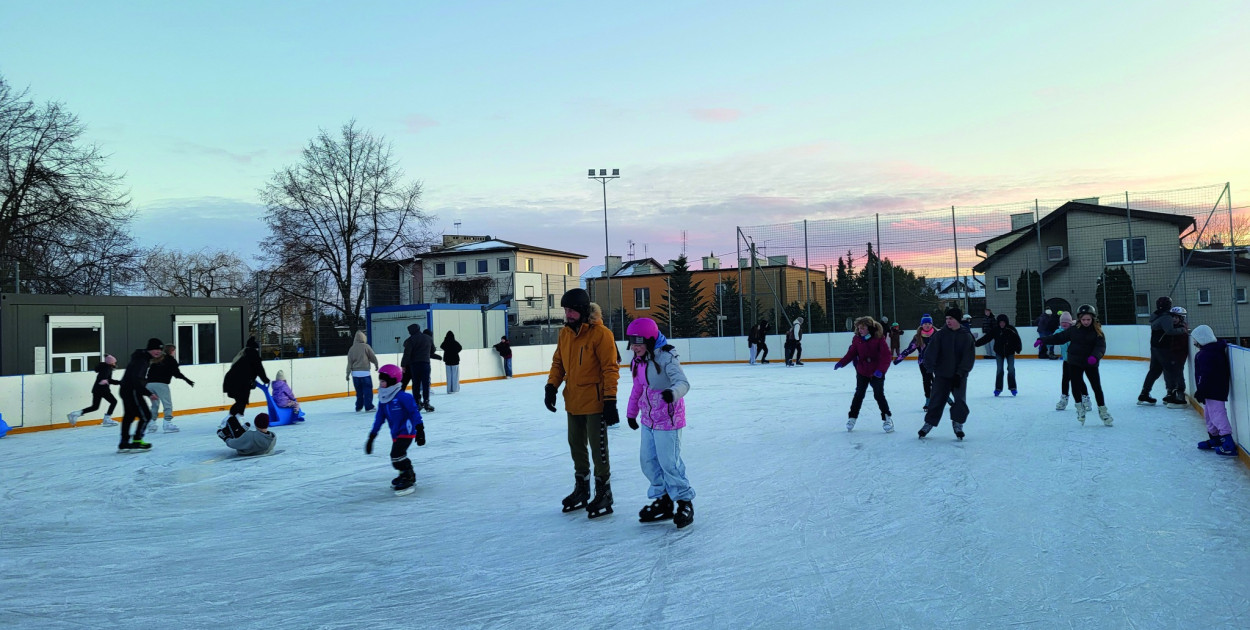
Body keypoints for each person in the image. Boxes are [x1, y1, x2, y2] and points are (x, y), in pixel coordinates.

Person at [545, 288, 621, 519]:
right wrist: (551, 387)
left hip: (596, 403)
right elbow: (559, 362)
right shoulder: (565, 334)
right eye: (565, 310)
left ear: (581, 310)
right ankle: (582, 489)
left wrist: (610, 400)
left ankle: (604, 492)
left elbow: (610, 369)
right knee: (576, 448)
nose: (567, 314)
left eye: (571, 310)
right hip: (573, 401)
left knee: (598, 451)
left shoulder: (601, 334)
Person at [624, 318, 695, 529]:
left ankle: (684, 501)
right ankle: (663, 500)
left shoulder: (666, 358)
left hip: (668, 419)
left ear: (650, 340)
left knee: (669, 463)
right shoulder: (639, 360)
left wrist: (672, 394)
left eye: (638, 341)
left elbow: (683, 383)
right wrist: (631, 413)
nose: (634, 346)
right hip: (648, 419)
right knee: (648, 461)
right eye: (631, 341)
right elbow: (638, 388)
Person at [1037, 304, 1111, 426]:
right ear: (1079, 319)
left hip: (1090, 363)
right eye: (1083, 319)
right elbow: (1059, 337)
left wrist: (1095, 356)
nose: (1086, 322)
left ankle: (1103, 411)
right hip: (1075, 362)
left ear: (1092, 318)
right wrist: (1043, 340)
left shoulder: (1098, 332)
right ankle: (1080, 408)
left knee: (1096, 387)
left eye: (1088, 319)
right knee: (1075, 386)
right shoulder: (1074, 330)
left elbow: (1100, 347)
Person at [366, 364, 425, 494]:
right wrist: (372, 436)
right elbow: (379, 419)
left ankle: (408, 476)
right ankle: (405, 474)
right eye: (380, 381)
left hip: (406, 432)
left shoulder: (404, 397)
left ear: (392, 381)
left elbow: (415, 413)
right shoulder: (383, 399)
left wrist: (420, 429)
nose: (381, 384)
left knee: (396, 455)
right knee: (398, 456)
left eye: (383, 381)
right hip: (396, 433)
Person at [918, 308, 975, 440]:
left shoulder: (966, 336)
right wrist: (929, 368)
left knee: (960, 401)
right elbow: (930, 352)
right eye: (947, 319)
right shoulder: (940, 335)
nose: (948, 321)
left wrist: (960, 373)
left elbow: (968, 358)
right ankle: (929, 423)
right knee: (936, 401)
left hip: (959, 376)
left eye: (951, 319)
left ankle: (958, 423)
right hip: (942, 375)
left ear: (958, 320)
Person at [836, 316, 895, 432]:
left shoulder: (878, 339)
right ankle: (852, 417)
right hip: (862, 371)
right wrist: (841, 363)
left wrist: (881, 370)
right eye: (858, 328)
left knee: (878, 395)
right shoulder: (857, 339)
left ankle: (887, 418)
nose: (860, 330)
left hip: (876, 372)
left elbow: (886, 356)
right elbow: (851, 353)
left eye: (862, 328)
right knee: (859, 394)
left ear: (869, 328)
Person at [1192, 325, 1238, 456]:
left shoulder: (1207, 354)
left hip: (1214, 390)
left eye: (1195, 340)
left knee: (1217, 414)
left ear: (1201, 339)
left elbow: (1206, 374)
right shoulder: (1209, 351)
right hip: (1210, 390)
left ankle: (1227, 442)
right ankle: (1216, 439)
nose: (1194, 342)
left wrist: (1201, 390)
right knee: (1209, 415)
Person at [118, 338, 164, 452]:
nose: (158, 351)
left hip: (127, 389)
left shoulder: (141, 357)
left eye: (160, 350)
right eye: (155, 349)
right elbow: (136, 378)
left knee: (129, 416)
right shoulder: (142, 360)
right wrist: (148, 393)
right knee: (146, 416)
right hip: (132, 390)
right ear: (149, 348)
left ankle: (124, 443)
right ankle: (137, 441)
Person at [1139, 296, 1184, 406]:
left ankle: (1144, 393)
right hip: (1163, 347)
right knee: (1169, 370)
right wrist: (1182, 330)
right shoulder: (1166, 317)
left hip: (1155, 347)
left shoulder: (1156, 315)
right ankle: (1171, 395)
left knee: (1154, 371)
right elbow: (1169, 331)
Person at [145, 344, 195, 434]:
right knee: (167, 404)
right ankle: (167, 423)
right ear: (172, 351)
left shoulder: (156, 359)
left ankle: (152, 424)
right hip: (161, 385)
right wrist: (187, 380)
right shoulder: (171, 360)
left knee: (154, 405)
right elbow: (176, 374)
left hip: (149, 384)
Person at [894, 314, 938, 410]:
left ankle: (943, 395)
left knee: (938, 381)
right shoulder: (918, 337)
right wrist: (899, 358)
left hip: (937, 362)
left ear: (932, 324)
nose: (927, 325)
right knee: (927, 380)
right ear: (922, 325)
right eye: (925, 323)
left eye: (929, 323)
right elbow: (909, 349)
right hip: (923, 362)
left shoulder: (937, 335)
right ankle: (928, 400)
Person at [222, 336, 270, 424]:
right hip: (240, 382)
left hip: (231, 381)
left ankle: (231, 418)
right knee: (242, 401)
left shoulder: (242, 355)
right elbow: (259, 368)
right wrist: (265, 380)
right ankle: (237, 418)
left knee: (240, 401)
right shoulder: (252, 354)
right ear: (255, 348)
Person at [974, 314, 1022, 396]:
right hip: (999, 353)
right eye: (1000, 322)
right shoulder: (995, 330)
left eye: (1003, 322)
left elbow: (1017, 339)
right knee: (999, 370)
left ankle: (1013, 388)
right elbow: (987, 338)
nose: (1002, 324)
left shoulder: (1011, 329)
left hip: (1010, 352)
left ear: (1006, 322)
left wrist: (1018, 348)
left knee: (1011, 369)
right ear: (998, 323)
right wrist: (976, 343)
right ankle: (998, 388)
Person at [67, 354, 120, 427]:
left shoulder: (104, 367)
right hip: (103, 390)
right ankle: (107, 419)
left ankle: (75, 413)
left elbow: (105, 379)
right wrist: (119, 382)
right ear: (111, 363)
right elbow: (105, 379)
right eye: (114, 362)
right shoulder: (107, 368)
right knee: (114, 401)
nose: (115, 364)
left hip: (96, 389)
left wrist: (107, 381)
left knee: (95, 407)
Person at [1053, 312, 1090, 411]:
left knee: (1078, 380)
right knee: (1065, 379)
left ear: (1070, 323)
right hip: (1066, 360)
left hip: (1077, 361)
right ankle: (1064, 399)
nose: (1064, 324)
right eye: (1062, 322)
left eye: (1066, 322)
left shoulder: (1075, 331)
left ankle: (1085, 398)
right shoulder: (1058, 331)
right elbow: (1053, 338)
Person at [400, 324, 440, 412]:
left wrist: (403, 365)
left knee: (416, 384)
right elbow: (432, 350)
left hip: (414, 365)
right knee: (426, 383)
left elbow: (407, 354)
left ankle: (417, 402)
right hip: (425, 363)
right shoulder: (428, 338)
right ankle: (426, 402)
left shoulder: (410, 340)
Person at [1162, 306, 1191, 409]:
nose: (1174, 319)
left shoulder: (1182, 330)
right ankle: (1170, 392)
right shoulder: (1170, 329)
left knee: (1177, 373)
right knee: (1167, 374)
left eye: (1176, 317)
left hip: (1178, 356)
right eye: (1172, 317)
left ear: (1181, 318)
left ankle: (1180, 394)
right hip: (1169, 355)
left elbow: (1180, 345)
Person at [345, 331, 379, 412]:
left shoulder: (351, 348)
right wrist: (376, 364)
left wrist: (347, 374)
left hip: (355, 374)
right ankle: (369, 407)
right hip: (365, 373)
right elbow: (372, 357)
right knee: (367, 390)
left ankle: (358, 407)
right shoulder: (366, 346)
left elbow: (349, 363)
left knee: (359, 392)